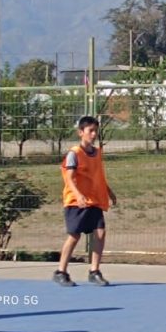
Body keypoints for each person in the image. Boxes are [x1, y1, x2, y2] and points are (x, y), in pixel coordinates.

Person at [53, 116, 117, 287]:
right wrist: (78, 195)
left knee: (100, 233)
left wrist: (109, 191)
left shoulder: (97, 153)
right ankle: (61, 271)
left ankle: (94, 271)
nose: (94, 134)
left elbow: (98, 176)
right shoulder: (75, 153)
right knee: (74, 236)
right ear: (81, 133)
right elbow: (69, 178)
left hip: (94, 200)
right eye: (90, 131)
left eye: (96, 130)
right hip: (76, 202)